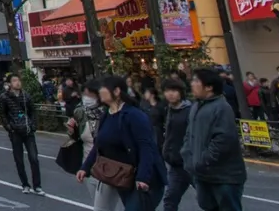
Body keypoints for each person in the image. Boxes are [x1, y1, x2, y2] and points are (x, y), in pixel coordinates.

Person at [78, 75, 167, 211]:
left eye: (103, 88)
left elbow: (146, 147)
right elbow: (99, 146)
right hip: (122, 176)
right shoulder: (106, 115)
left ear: (117, 91)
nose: (99, 91)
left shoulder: (134, 115)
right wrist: (85, 167)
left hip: (144, 178)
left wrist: (143, 177)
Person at [181, 67, 246, 211]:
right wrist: (187, 156)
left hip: (225, 176)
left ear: (209, 87)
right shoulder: (195, 107)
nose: (192, 84)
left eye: (196, 81)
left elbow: (223, 140)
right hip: (202, 175)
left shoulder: (222, 107)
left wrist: (202, 161)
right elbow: (189, 135)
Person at [70, 79, 122, 211]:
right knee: (99, 204)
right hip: (89, 166)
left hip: (108, 167)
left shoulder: (109, 112)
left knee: (106, 207)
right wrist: (72, 131)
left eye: (90, 95)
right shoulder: (80, 112)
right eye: (85, 95)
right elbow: (77, 138)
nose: (87, 98)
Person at [0, 73, 44, 195]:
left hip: (28, 130)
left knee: (34, 158)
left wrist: (33, 125)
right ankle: (25, 184)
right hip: (15, 132)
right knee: (19, 159)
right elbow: (2, 114)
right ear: (9, 83)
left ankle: (37, 185)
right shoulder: (4, 97)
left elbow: (33, 111)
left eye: (18, 80)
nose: (17, 83)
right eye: (14, 80)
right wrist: (9, 128)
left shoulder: (26, 96)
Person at [160, 78, 192, 211]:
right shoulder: (168, 109)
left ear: (181, 92)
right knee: (170, 200)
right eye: (167, 91)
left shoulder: (190, 110)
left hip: (191, 163)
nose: (170, 94)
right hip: (175, 164)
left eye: (174, 90)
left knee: (208, 200)